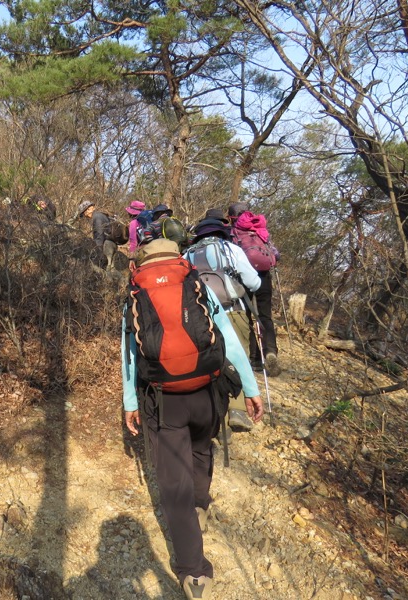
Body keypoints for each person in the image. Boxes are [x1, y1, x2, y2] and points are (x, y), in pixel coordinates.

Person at [122, 238, 264, 600]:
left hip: (163, 399)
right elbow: (228, 339)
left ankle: (194, 573)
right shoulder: (196, 283)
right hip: (206, 392)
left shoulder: (136, 295)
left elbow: (130, 355)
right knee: (202, 445)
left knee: (173, 486)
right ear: (178, 257)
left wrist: (130, 402)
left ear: (143, 263)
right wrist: (250, 388)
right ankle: (200, 503)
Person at [184, 215, 262, 434]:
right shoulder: (231, 249)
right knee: (238, 355)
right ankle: (236, 410)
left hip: (200, 316)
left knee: (209, 361)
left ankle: (212, 411)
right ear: (221, 232)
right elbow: (254, 282)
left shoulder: (187, 254)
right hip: (231, 310)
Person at [229, 201, 281, 377]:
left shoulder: (234, 231)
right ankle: (271, 351)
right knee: (265, 315)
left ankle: (255, 359)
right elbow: (275, 254)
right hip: (264, 276)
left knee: (247, 315)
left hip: (243, 277)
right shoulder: (259, 228)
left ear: (231, 217)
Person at [77, 200, 118, 270]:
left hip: (107, 246)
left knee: (108, 269)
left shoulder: (97, 218)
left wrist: (98, 252)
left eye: (83, 213)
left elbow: (99, 236)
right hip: (110, 243)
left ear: (88, 210)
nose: (84, 216)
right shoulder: (99, 215)